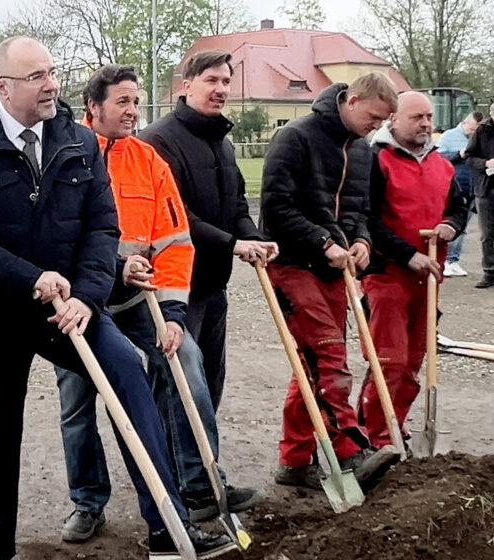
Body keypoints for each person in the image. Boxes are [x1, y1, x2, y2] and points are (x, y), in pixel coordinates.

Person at [0, 37, 231, 560]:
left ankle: (168, 527)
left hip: (69, 308)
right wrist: (31, 278)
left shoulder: (77, 141)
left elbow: (100, 229)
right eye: (36, 77)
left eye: (53, 72)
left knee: (128, 374)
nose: (51, 85)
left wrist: (89, 299)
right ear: (2, 87)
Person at [54, 64, 261, 544]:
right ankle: (88, 501)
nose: (132, 111)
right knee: (77, 399)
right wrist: (112, 267)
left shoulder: (148, 161)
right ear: (94, 107)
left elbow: (174, 241)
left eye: (136, 102)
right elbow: (61, 239)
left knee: (185, 359)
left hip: (142, 304)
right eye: (122, 102)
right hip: (82, 301)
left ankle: (202, 483)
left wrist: (171, 314)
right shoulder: (67, 158)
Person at [260, 73, 402, 490]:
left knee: (311, 363)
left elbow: (360, 208)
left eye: (383, 122)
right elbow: (275, 206)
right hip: (292, 263)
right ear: (353, 100)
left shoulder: (361, 151)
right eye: (374, 117)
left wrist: (360, 240)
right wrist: (323, 242)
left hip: (334, 269)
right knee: (329, 358)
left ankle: (294, 459)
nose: (376, 127)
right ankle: (348, 451)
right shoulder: (296, 138)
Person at [140, 50, 278, 413]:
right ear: (186, 86)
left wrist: (256, 241)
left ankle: (201, 462)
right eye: (211, 80)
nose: (221, 89)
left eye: (226, 81)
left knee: (211, 379)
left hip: (214, 282)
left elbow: (236, 207)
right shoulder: (158, 141)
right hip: (176, 285)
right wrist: (233, 244)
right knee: (176, 379)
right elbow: (176, 216)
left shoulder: (224, 143)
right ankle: (165, 460)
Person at [360, 92, 467, 448]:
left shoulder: (442, 164)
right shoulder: (377, 160)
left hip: (428, 278)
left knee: (415, 361)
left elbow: (458, 206)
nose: (425, 124)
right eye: (416, 117)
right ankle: (375, 435)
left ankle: (397, 425)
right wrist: (407, 254)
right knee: (389, 358)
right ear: (394, 120)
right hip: (387, 273)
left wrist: (451, 224)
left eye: (428, 118)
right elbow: (367, 219)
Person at [437, 111, 483, 277]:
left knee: (464, 228)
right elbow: (439, 157)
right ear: (465, 123)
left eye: (475, 131)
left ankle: (454, 260)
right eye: (471, 130)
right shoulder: (449, 136)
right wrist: (459, 154)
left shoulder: (479, 137)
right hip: (456, 185)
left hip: (474, 187)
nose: (473, 133)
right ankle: (447, 260)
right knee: (452, 224)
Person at [465, 102, 494, 288]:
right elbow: (468, 157)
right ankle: (490, 272)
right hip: (486, 187)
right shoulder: (482, 131)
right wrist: (485, 164)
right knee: (487, 233)